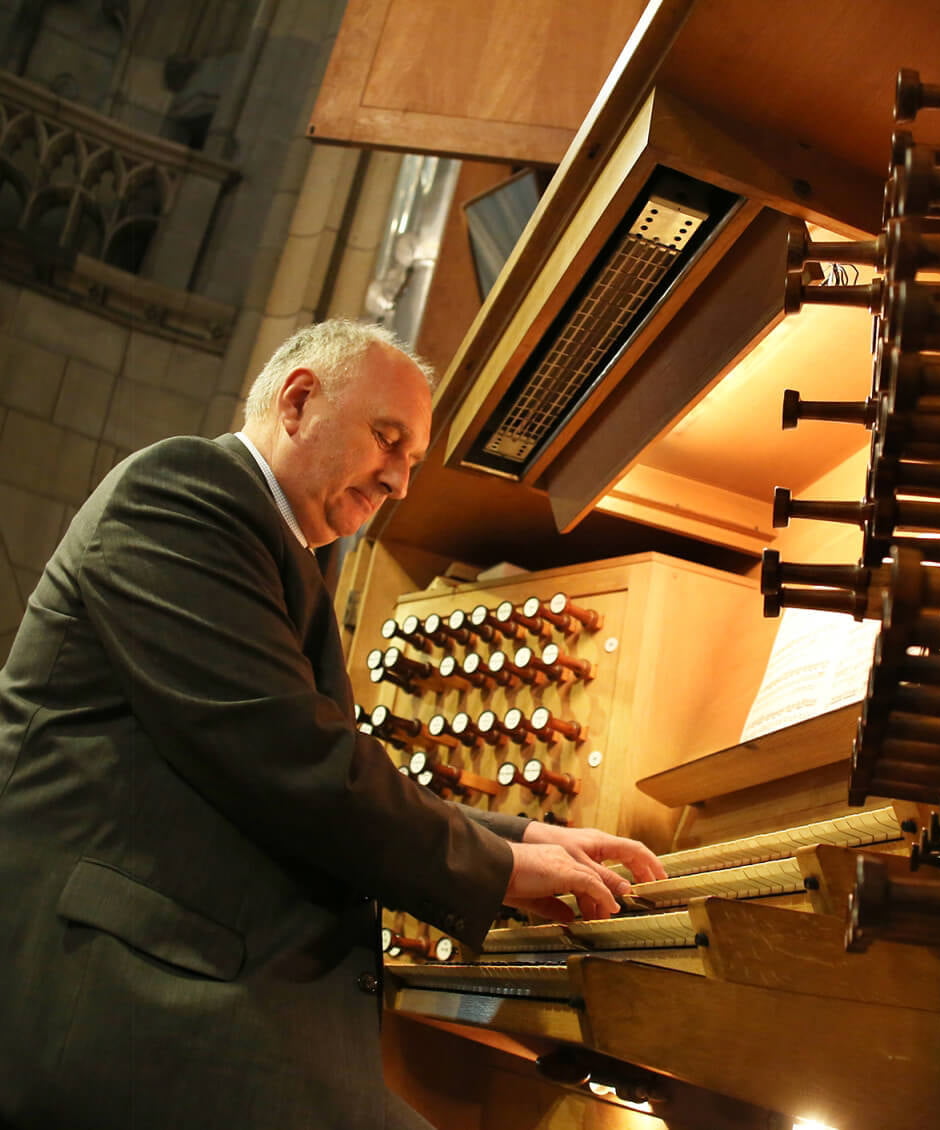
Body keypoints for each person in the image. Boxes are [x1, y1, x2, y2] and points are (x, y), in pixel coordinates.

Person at [0, 319, 666, 1130]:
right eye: (388, 440)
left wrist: (524, 840)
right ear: (298, 399)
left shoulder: (268, 543)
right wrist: (497, 870)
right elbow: (292, 759)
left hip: (197, 976)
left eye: (413, 461)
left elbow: (311, 758)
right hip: (126, 997)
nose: (400, 484)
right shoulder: (182, 494)